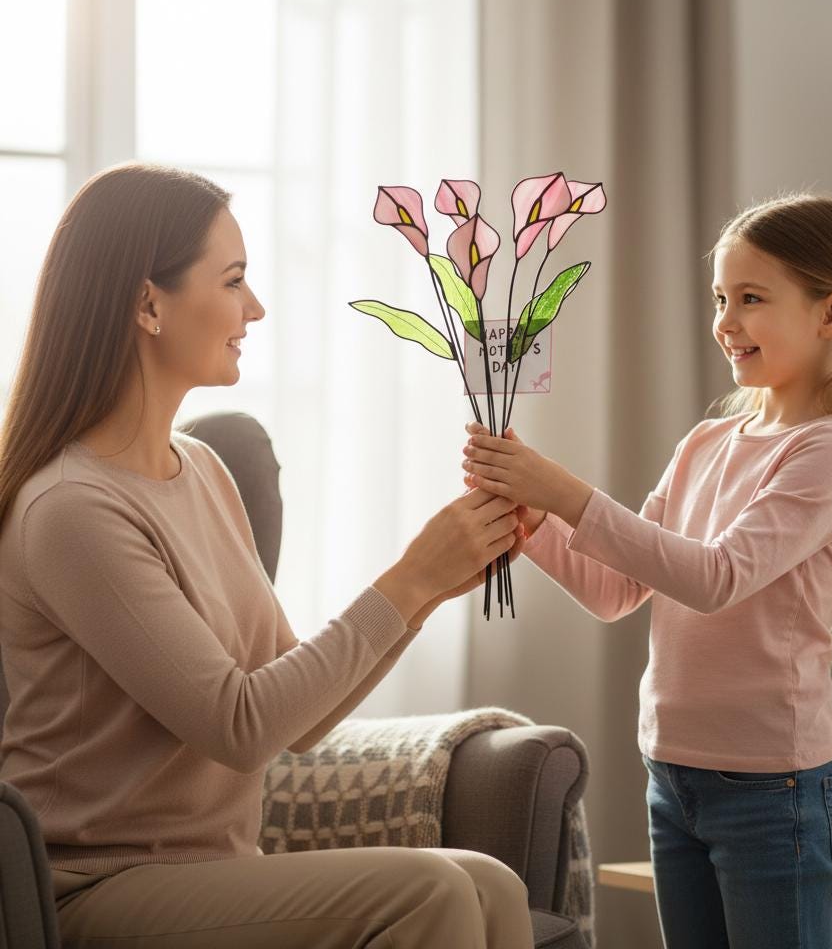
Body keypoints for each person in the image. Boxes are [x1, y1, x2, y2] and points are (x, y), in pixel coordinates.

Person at [0, 162, 534, 949]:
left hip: (213, 872)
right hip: (96, 888)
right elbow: (241, 727)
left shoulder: (203, 471)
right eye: (233, 281)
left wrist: (433, 588)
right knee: (431, 890)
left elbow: (299, 719)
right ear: (148, 304)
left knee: (490, 882)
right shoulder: (71, 509)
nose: (255, 307)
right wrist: (412, 573)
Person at [461, 194, 832, 949]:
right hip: (672, 772)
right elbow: (615, 590)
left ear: (831, 313)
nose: (725, 321)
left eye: (751, 298)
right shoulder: (705, 443)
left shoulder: (831, 451)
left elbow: (715, 578)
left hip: (773, 787)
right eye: (720, 299)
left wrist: (563, 491)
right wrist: (533, 524)